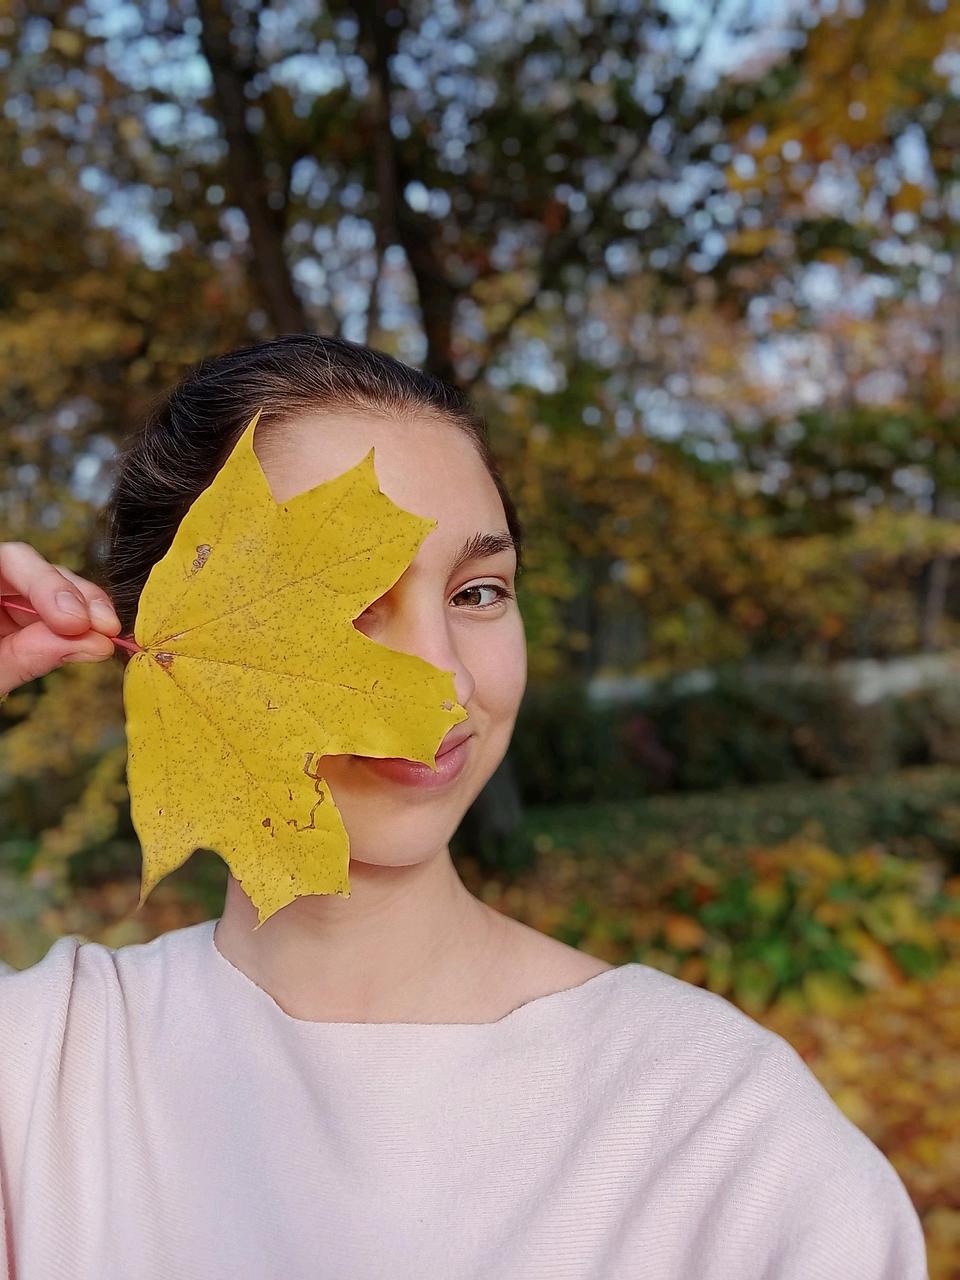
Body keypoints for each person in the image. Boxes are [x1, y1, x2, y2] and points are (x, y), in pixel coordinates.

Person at [0, 335, 928, 1279]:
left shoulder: (720, 1133)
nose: (440, 678)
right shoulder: (43, 1076)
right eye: (352, 603)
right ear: (160, 631)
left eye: (478, 592)